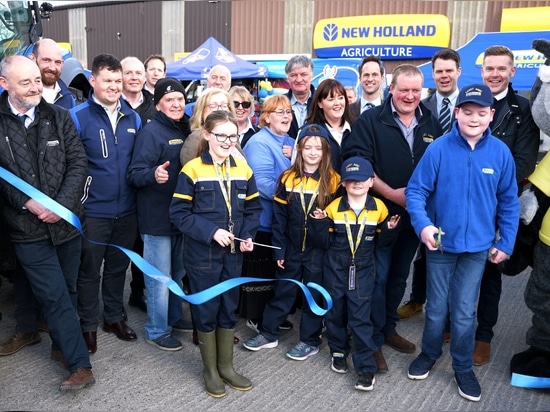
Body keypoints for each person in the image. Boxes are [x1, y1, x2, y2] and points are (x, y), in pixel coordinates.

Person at [405, 83, 520, 402]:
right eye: (467, 112)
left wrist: (506, 242)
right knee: (437, 308)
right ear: (457, 113)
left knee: (465, 311)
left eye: (481, 113)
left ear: (490, 115)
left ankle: (462, 366)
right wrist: (424, 227)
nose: (474, 118)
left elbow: (509, 201)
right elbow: (416, 192)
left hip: (479, 248)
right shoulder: (439, 148)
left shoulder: (500, 153)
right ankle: (429, 353)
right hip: (440, 244)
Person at [0, 55, 94, 390]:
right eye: (25, 82)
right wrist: (25, 201)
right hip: (26, 229)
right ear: (5, 84)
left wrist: (61, 205)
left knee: (67, 290)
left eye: (37, 79)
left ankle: (60, 345)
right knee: (55, 296)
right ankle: (81, 365)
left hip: (65, 224)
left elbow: (77, 162)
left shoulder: (60, 116)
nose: (35, 86)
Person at [341, 64, 442, 372]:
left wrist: (418, 203)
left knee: (399, 276)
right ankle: (369, 340)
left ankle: (387, 328)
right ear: (391, 89)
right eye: (404, 90)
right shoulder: (371, 120)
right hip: (380, 214)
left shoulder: (432, 124)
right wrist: (391, 193)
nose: (409, 96)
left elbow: (439, 167)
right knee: (377, 276)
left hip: (415, 217)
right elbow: (357, 161)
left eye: (415, 90)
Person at [169, 110, 262, 398]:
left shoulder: (243, 169)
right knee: (207, 309)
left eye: (232, 136)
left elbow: (253, 209)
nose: (227, 141)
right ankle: (210, 370)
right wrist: (211, 231)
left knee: (228, 307)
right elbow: (179, 213)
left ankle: (227, 366)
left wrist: (247, 235)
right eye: (221, 135)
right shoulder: (192, 170)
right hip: (202, 256)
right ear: (207, 135)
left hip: (233, 254)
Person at [243, 124, 340, 360]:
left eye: (319, 148)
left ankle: (309, 340)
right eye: (308, 147)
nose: (313, 152)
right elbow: (279, 219)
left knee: (313, 295)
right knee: (283, 290)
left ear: (326, 150)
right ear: (298, 148)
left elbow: (337, 222)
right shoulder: (287, 178)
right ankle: (268, 333)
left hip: (319, 252)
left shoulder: (333, 180)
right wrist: (279, 250)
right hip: (291, 248)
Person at [309, 156, 400, 391]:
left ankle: (366, 367)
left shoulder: (379, 209)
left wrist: (389, 230)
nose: (356, 184)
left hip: (363, 270)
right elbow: (322, 243)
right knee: (335, 313)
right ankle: (338, 351)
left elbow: (383, 244)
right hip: (335, 270)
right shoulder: (333, 208)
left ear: (371, 181)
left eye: (361, 179)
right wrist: (319, 224)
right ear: (343, 184)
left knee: (360, 318)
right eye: (351, 180)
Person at [473, 45, 540, 366]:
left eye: (502, 68)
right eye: (490, 69)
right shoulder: (469, 102)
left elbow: (524, 162)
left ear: (513, 72)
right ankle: (447, 325)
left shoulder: (523, 109)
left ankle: (483, 336)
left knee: (489, 273)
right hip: (461, 204)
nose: (495, 74)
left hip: (497, 205)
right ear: (482, 71)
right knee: (455, 269)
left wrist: (490, 192)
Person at [70, 54, 141, 354]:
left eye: (117, 80)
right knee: (89, 271)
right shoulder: (77, 116)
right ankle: (87, 325)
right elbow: (69, 165)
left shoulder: (133, 117)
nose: (114, 86)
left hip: (127, 211)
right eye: (107, 80)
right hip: (93, 212)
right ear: (93, 81)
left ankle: (113, 317)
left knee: (117, 269)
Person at [127, 77, 191, 351]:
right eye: (170, 100)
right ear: (159, 105)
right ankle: (156, 329)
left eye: (179, 99)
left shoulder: (187, 128)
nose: (176, 104)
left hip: (180, 218)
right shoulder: (151, 133)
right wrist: (153, 174)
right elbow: (133, 174)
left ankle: (174, 318)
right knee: (159, 278)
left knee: (176, 275)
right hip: (157, 220)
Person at [398, 48, 462, 321]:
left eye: (449, 70)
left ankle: (449, 316)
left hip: (455, 193)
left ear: (458, 71)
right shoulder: (424, 107)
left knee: (454, 254)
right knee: (425, 252)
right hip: (424, 193)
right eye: (439, 71)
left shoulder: (470, 105)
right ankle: (418, 300)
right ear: (432, 75)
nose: (444, 76)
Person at [240, 95, 294, 332]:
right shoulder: (259, 142)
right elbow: (261, 182)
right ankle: (257, 317)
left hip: (284, 221)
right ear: (266, 117)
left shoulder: (292, 141)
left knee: (276, 272)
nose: (286, 116)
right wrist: (296, 197)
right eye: (279, 112)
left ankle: (273, 315)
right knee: (261, 273)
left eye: (289, 112)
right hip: (264, 221)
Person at [121, 56, 157, 315]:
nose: (134, 77)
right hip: (120, 186)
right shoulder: (113, 103)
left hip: (149, 188)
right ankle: (112, 303)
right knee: (120, 248)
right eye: (128, 72)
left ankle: (137, 291)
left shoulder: (156, 106)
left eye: (138, 72)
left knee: (142, 247)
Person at [303, 78, 355, 172]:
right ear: (320, 103)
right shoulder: (308, 131)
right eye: (331, 99)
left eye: (340, 98)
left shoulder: (356, 128)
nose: (337, 103)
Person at [180, 88, 238, 168]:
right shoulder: (196, 138)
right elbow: (190, 172)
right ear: (202, 110)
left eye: (224, 105)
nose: (219, 109)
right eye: (213, 106)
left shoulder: (233, 135)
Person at [29, 38, 75, 109]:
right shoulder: (21, 96)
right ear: (32, 59)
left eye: (57, 62)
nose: (52, 68)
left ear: (62, 64)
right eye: (46, 60)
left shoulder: (68, 98)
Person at [285, 55, 315, 138]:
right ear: (287, 79)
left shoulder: (322, 102)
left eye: (303, 74)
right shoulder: (278, 103)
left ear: (312, 77)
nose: (298, 80)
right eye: (293, 75)